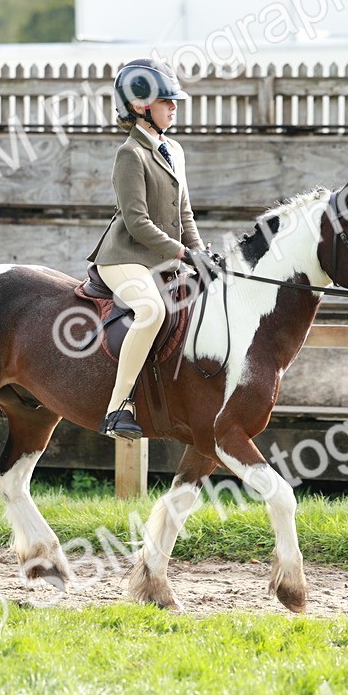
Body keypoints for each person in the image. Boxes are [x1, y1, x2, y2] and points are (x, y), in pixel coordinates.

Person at [87, 58, 208, 440]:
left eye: (174, 101)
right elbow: (137, 223)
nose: (174, 107)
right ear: (142, 107)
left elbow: (184, 212)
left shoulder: (174, 149)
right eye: (167, 101)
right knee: (152, 310)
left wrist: (200, 253)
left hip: (163, 257)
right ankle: (118, 408)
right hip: (125, 257)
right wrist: (181, 254)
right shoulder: (130, 154)